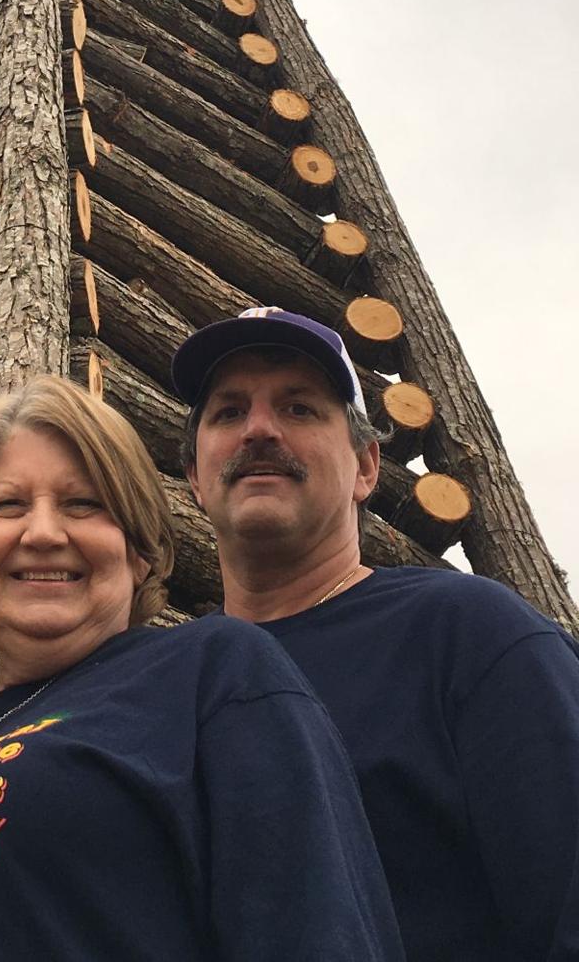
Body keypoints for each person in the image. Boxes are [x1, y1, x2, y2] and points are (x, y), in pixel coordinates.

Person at [0, 375, 403, 961]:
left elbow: (316, 930)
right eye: (7, 506)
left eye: (83, 505)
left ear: (138, 552)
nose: (43, 532)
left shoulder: (212, 676)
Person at [171, 305, 579, 962]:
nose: (260, 430)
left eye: (300, 408)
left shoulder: (471, 638)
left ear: (366, 466)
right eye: (228, 411)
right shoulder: (161, 688)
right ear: (194, 475)